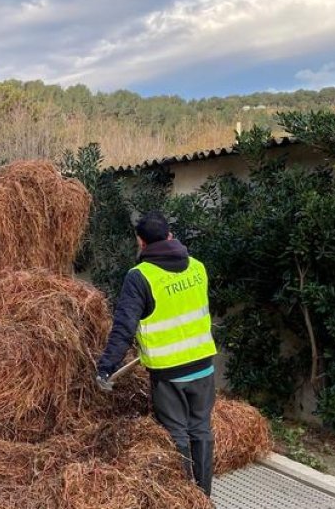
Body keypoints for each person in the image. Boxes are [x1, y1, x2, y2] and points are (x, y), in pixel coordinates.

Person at [95, 211, 217, 496]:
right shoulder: (198, 267)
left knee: (176, 435)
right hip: (204, 367)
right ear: (170, 235)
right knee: (200, 430)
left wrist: (106, 367)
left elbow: (124, 327)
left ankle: (185, 498)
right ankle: (203, 496)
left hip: (170, 375)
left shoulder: (140, 277)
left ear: (141, 242)